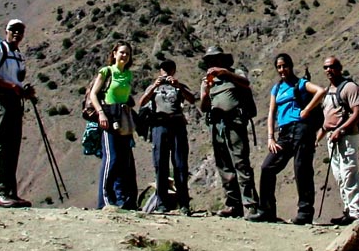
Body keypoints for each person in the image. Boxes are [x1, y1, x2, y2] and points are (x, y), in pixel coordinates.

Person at [253, 53, 326, 224]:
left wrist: (306, 110)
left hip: (302, 129)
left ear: (291, 66)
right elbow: (271, 113)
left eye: (284, 66)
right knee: (267, 167)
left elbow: (320, 91)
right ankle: (266, 210)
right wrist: (270, 137)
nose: (282, 70)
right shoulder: (277, 89)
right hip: (284, 133)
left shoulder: (300, 83)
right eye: (278, 67)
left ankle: (305, 213)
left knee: (302, 169)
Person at [0, 19, 34, 208]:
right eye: (14, 30)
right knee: (0, 144)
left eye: (20, 30)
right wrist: (12, 86)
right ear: (7, 31)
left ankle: (10, 192)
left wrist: (22, 91)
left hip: (13, 101)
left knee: (12, 146)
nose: (17, 33)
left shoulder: (17, 54)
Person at [198, 45, 259, 218]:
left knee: (241, 162)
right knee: (224, 165)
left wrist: (226, 74)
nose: (213, 63)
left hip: (235, 122)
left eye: (216, 59)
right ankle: (233, 204)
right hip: (217, 125)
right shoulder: (208, 81)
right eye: (210, 60)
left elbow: (246, 84)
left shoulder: (235, 73)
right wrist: (205, 92)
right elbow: (204, 107)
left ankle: (251, 205)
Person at [137, 59, 196, 214]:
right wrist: (154, 87)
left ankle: (184, 203)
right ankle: (161, 202)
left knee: (180, 165)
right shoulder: (154, 87)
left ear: (174, 71)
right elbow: (142, 102)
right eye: (163, 70)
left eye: (169, 70)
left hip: (177, 125)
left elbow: (192, 99)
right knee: (160, 164)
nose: (166, 72)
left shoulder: (179, 86)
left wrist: (178, 86)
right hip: (159, 126)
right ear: (160, 71)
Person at [87, 41, 139, 210]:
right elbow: (94, 94)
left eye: (127, 53)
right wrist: (101, 113)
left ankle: (123, 199)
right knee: (112, 158)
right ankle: (105, 201)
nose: (124, 56)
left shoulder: (129, 75)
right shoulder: (107, 71)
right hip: (109, 118)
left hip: (123, 119)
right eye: (122, 52)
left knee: (125, 159)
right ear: (115, 53)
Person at [319, 55, 359, 226]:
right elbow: (328, 119)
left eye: (331, 66)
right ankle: (348, 211)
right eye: (325, 67)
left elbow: (357, 113)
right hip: (332, 138)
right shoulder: (328, 90)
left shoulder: (349, 88)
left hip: (346, 137)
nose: (328, 70)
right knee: (339, 176)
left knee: (348, 174)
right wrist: (320, 137)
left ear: (339, 68)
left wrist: (342, 129)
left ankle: (357, 214)